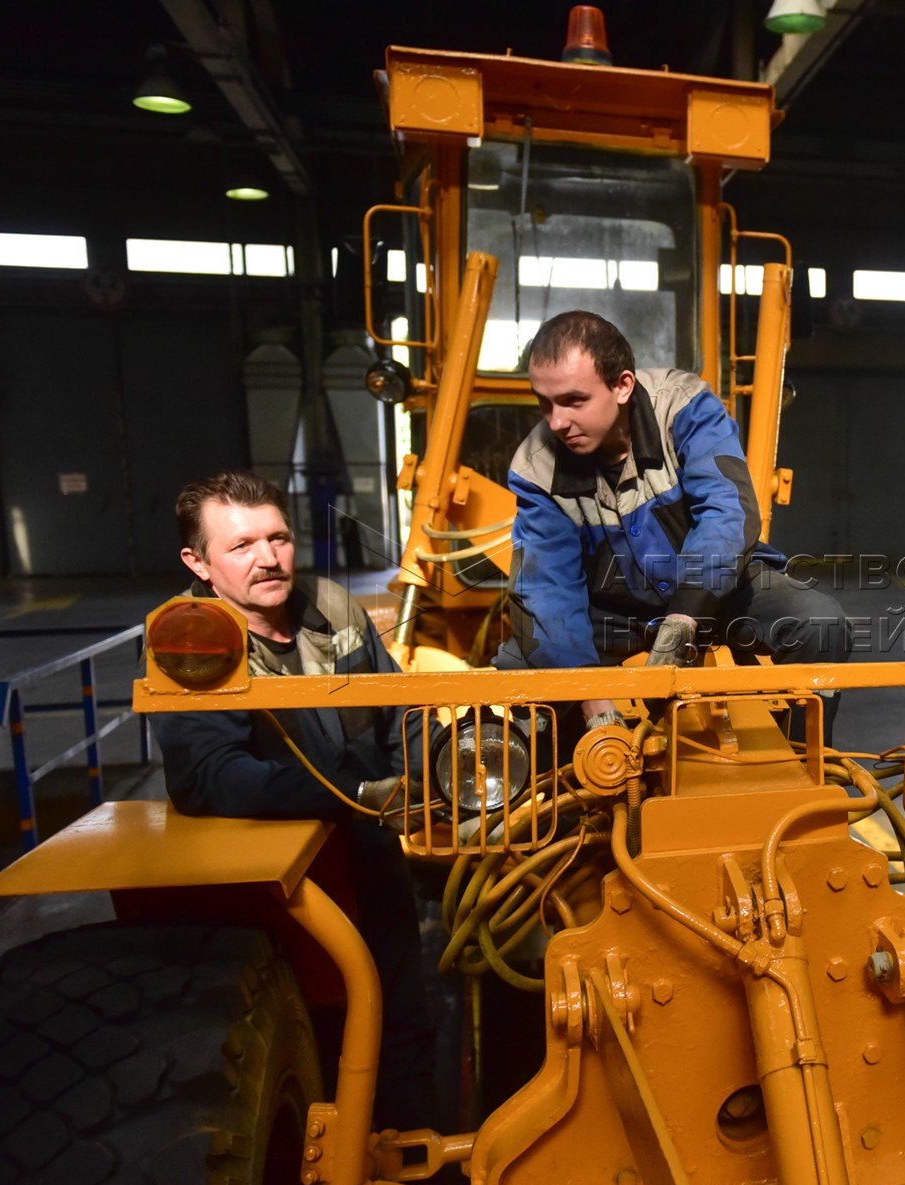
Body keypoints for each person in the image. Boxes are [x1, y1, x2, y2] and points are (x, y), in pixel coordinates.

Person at [149, 469, 437, 1131]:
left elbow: (402, 707)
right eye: (242, 545)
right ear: (198, 562)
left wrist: (424, 776)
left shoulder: (332, 608)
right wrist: (355, 793)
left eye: (277, 538)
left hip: (368, 853)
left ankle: (419, 1166)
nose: (268, 558)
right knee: (308, 1039)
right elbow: (212, 776)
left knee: (402, 1026)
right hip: (279, 884)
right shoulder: (191, 641)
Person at [500, 309, 848, 735]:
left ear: (622, 385)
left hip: (713, 591)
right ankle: (558, 794)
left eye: (574, 401)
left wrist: (686, 615)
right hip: (612, 610)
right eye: (545, 402)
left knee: (820, 625)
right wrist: (591, 698)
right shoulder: (536, 468)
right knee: (516, 670)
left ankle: (804, 763)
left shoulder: (684, 407)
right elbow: (547, 589)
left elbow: (727, 511)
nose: (556, 422)